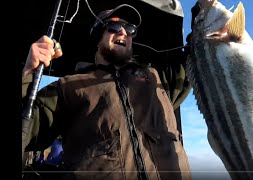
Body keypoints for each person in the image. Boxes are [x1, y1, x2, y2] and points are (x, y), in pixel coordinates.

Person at [22, 4, 192, 180]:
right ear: (98, 37)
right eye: (115, 26)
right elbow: (25, 131)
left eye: (130, 29)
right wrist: (28, 72)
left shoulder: (158, 79)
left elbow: (200, 55)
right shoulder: (67, 88)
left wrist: (204, 10)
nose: (123, 32)